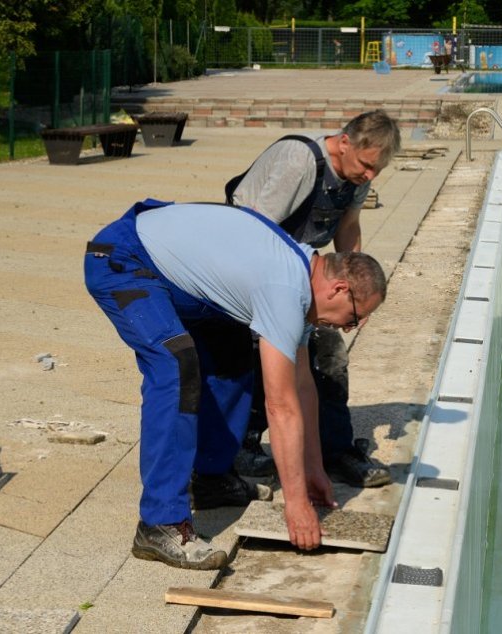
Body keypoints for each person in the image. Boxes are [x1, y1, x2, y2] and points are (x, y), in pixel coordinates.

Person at [84, 199, 387, 569]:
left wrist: (313, 468)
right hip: (123, 260)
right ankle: (160, 523)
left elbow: (302, 385)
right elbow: (281, 406)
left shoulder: (306, 274)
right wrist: (296, 504)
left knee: (233, 355)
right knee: (176, 366)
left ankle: (211, 480)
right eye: (355, 318)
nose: (349, 328)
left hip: (175, 277)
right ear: (339, 289)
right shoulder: (285, 286)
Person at [222, 109, 401, 489]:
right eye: (367, 166)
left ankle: (336, 451)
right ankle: (242, 445)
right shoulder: (301, 161)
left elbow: (348, 228)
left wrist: (356, 290)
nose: (369, 177)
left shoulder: (357, 177)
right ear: (345, 141)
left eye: (377, 172)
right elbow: (257, 229)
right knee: (258, 357)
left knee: (331, 358)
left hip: (304, 274)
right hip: (258, 269)